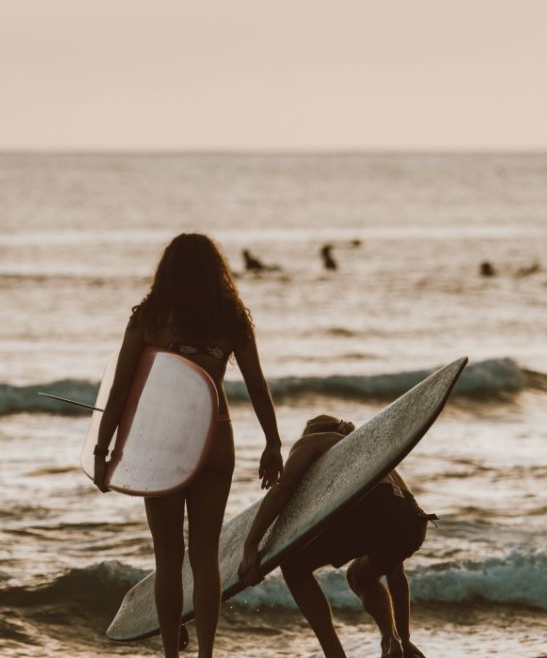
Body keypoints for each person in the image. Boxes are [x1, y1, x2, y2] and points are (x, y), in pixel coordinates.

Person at [92, 233, 282, 658]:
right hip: (216, 438)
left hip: (162, 443)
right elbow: (256, 384)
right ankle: (207, 654)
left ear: (168, 270)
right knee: (205, 556)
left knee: (168, 559)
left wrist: (101, 452)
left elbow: (121, 389)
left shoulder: (151, 316)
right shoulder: (231, 316)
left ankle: (172, 656)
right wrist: (273, 442)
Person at [239, 415, 434, 658]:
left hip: (376, 506)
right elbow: (397, 574)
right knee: (360, 576)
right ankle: (392, 641)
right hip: (413, 521)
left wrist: (251, 545)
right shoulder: (375, 456)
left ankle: (334, 654)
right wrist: (406, 639)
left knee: (293, 565)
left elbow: (286, 485)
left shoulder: (312, 442)